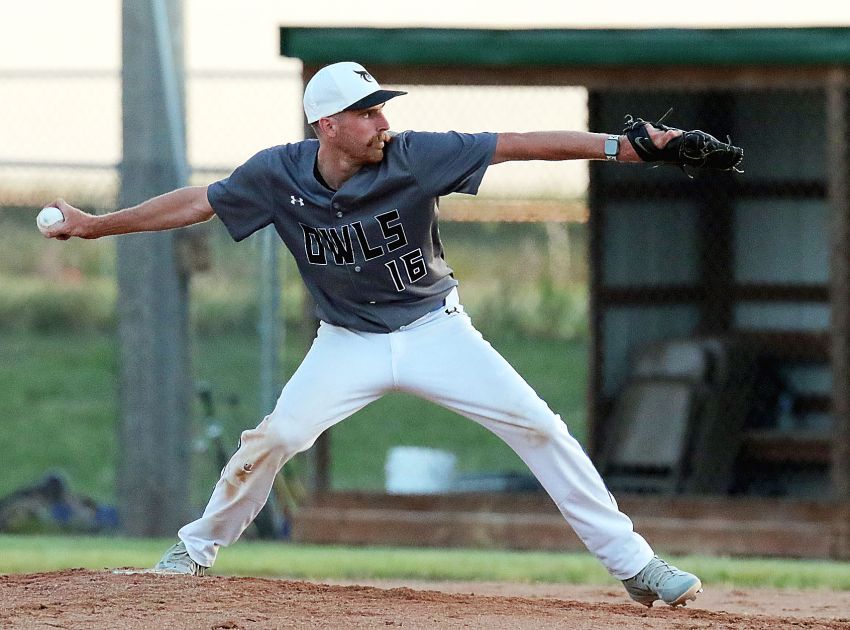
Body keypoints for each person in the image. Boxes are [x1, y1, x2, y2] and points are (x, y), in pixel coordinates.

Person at [43, 61, 702, 607]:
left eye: (381, 108)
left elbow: (519, 142)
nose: (383, 121)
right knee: (275, 436)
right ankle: (193, 550)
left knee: (540, 427)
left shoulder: (415, 156)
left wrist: (622, 148)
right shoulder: (278, 174)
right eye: (366, 112)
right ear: (328, 126)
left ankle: (637, 567)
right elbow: (196, 203)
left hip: (435, 329)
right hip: (348, 340)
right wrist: (97, 224)